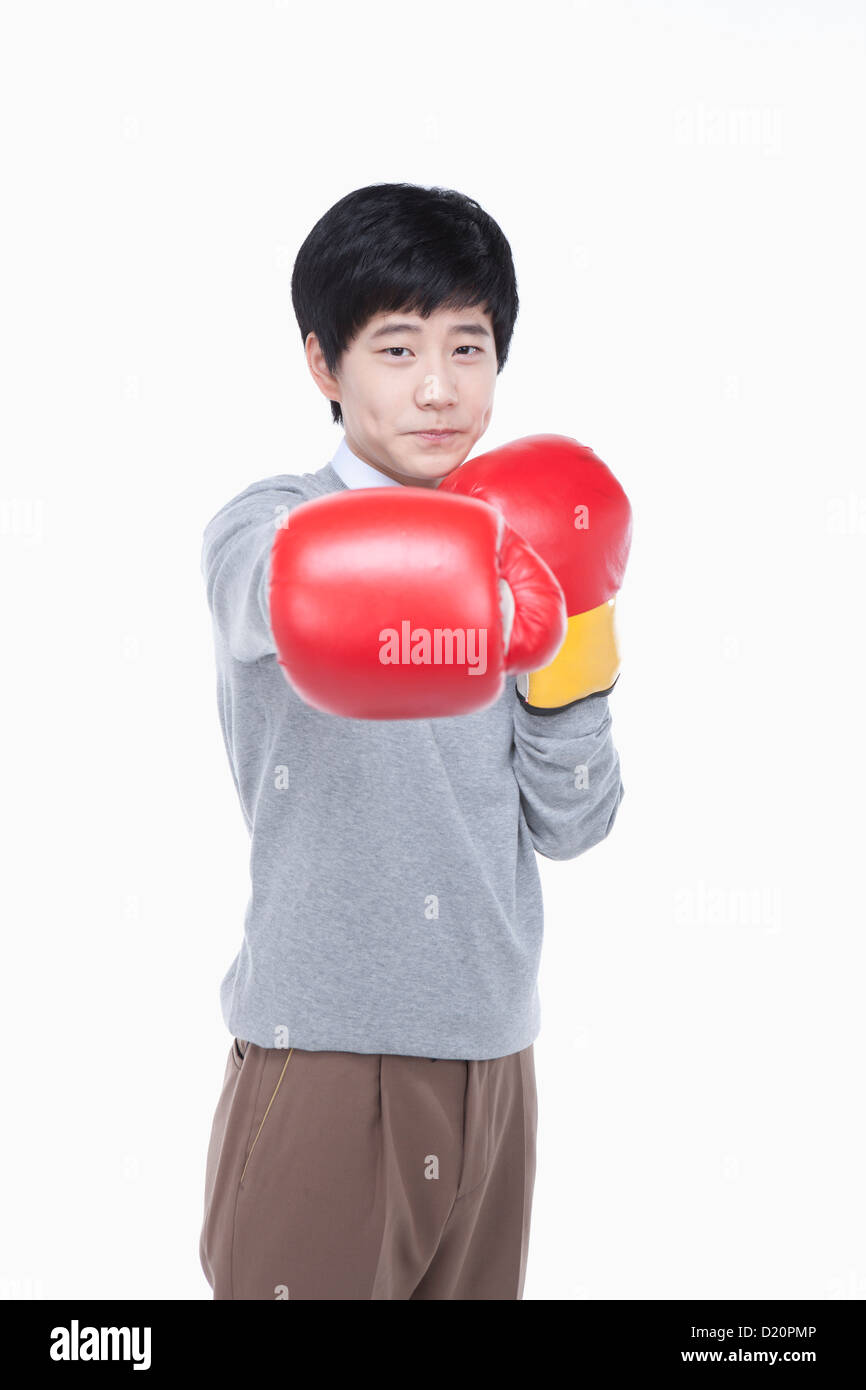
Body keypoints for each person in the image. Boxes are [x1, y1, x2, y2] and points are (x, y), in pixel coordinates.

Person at [197, 182, 626, 1299]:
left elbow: (573, 823)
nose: (438, 388)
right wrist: (452, 569)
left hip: (495, 1052)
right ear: (322, 365)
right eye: (395, 348)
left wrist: (572, 633)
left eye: (467, 346)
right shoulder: (266, 521)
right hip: (328, 1051)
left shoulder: (522, 534)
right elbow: (264, 594)